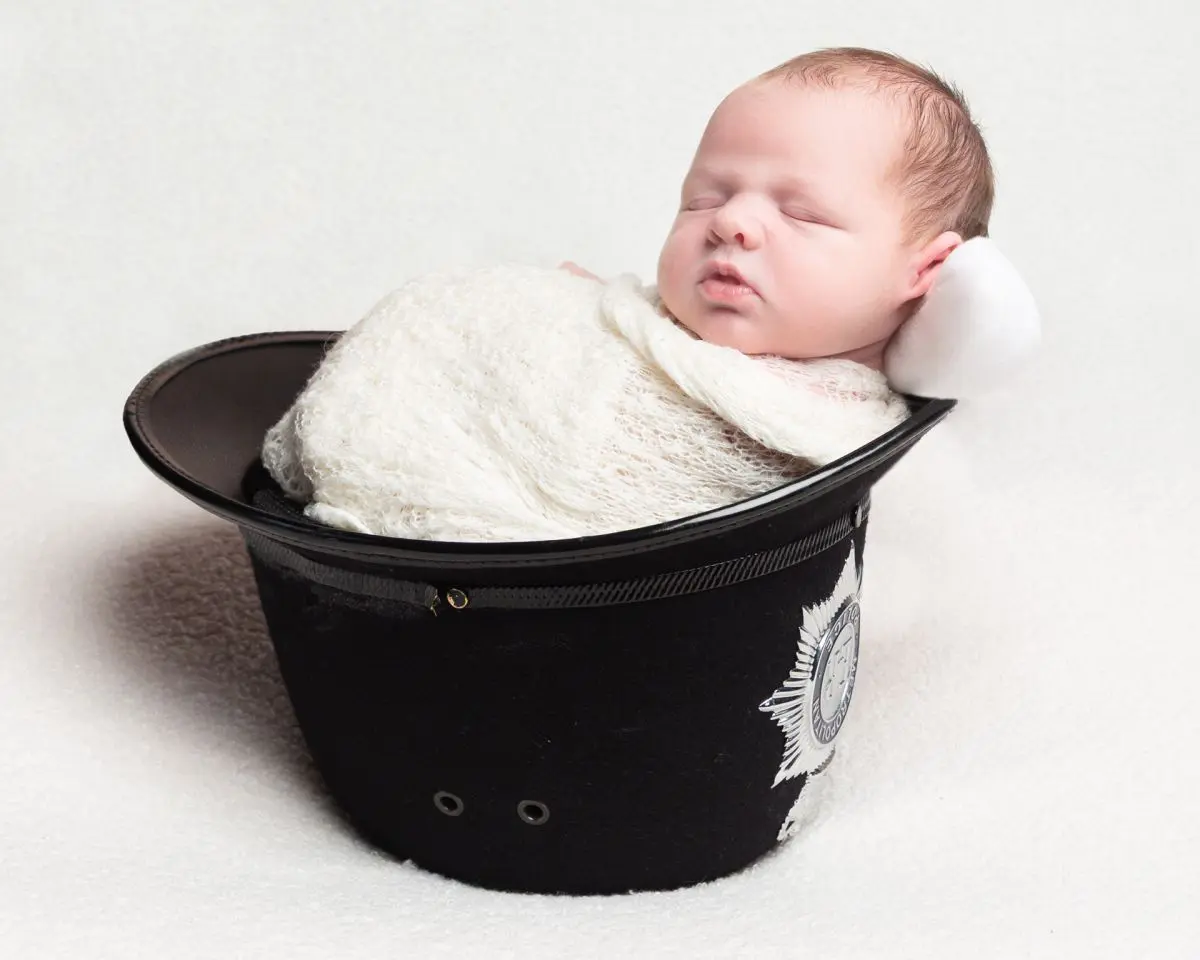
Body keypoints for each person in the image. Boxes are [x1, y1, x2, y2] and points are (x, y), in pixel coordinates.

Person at [262, 47, 996, 542]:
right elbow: (615, 339)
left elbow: (643, 461)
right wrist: (582, 316)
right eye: (704, 199)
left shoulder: (833, 418)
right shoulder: (675, 319)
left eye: (800, 214)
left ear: (922, 272)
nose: (733, 223)